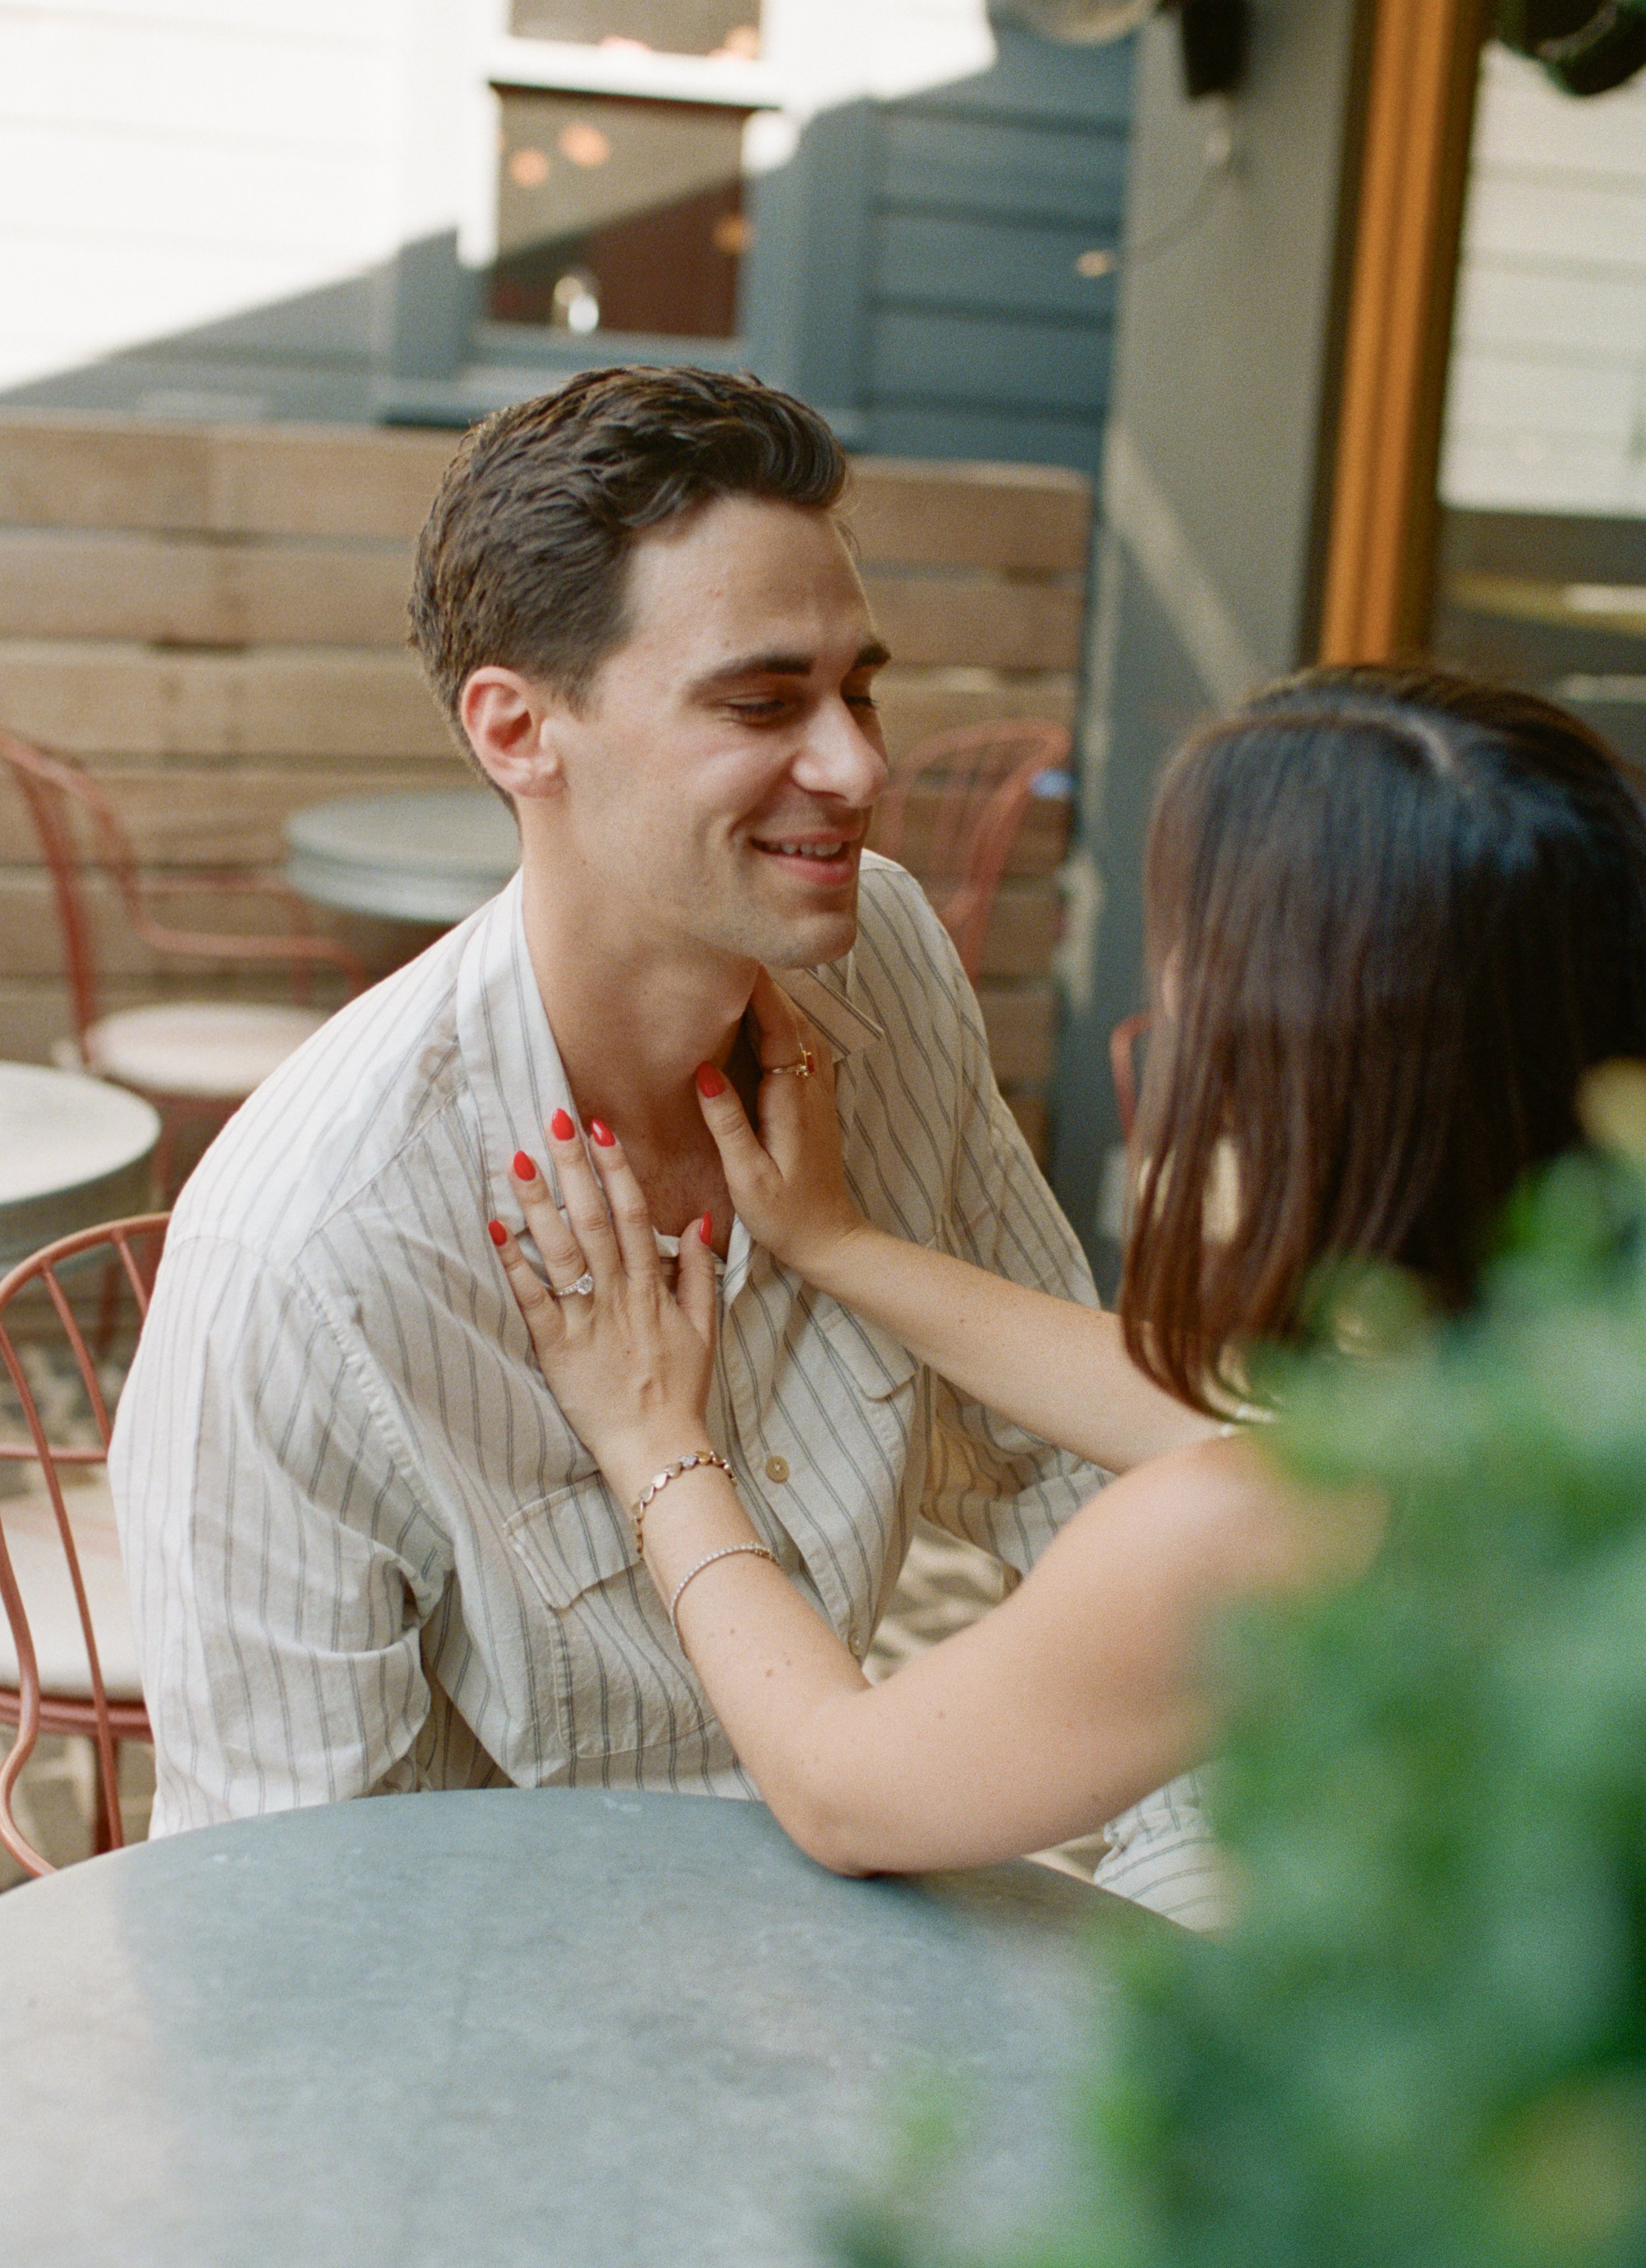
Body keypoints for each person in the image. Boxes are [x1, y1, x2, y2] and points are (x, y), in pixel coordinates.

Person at [111, 364, 1206, 1842]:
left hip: (861, 1921)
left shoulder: (879, 957)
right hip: (500, 2021)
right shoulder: (311, 1258)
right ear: (516, 732)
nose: (857, 765)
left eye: (858, 689)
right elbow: (281, 1912)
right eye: (763, 701)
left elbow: (1065, 1471)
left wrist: (1185, 1916)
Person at [489, 666, 1646, 1918]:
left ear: (1303, 1071)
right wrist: (837, 1244)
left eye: (1184, 1002)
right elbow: (1246, 1406)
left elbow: (843, 1789)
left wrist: (657, 1443)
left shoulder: (1234, 1535)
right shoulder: (1565, 1370)